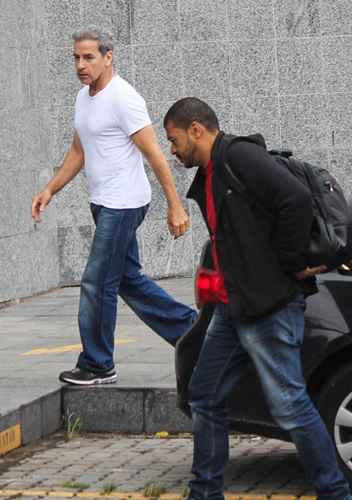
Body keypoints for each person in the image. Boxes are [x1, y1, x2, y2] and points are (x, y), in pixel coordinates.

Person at [163, 97, 352, 500]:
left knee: (291, 406)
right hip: (233, 306)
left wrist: (290, 262)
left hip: (268, 306)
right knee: (204, 395)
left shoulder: (238, 157)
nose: (172, 150)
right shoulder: (211, 173)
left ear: (197, 130)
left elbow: (294, 199)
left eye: (173, 140)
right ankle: (204, 493)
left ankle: (336, 494)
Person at [30, 29, 197, 385]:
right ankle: (195, 334)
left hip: (124, 203)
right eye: (75, 57)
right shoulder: (83, 98)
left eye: (88, 57)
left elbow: (154, 154)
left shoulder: (124, 98)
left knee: (95, 281)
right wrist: (51, 189)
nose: (80, 64)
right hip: (102, 202)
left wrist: (175, 205)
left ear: (109, 57)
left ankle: (97, 363)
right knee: (127, 280)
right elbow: (78, 151)